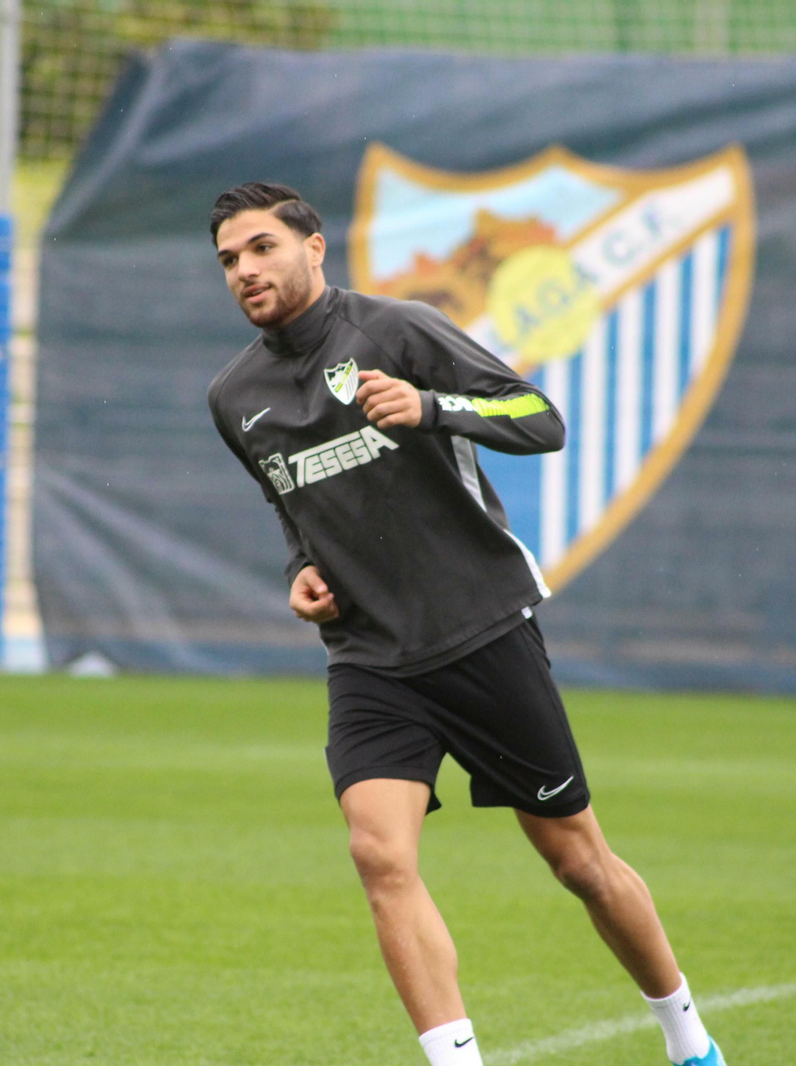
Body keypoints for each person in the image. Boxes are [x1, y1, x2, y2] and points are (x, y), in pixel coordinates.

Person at [205, 181, 726, 1066]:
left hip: (480, 633)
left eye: (261, 248)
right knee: (379, 856)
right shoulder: (233, 397)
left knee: (579, 863)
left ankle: (689, 1039)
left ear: (314, 247)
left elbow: (541, 418)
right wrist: (300, 571)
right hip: (370, 658)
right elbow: (290, 505)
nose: (244, 270)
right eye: (228, 261)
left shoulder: (395, 331)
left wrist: (431, 407)